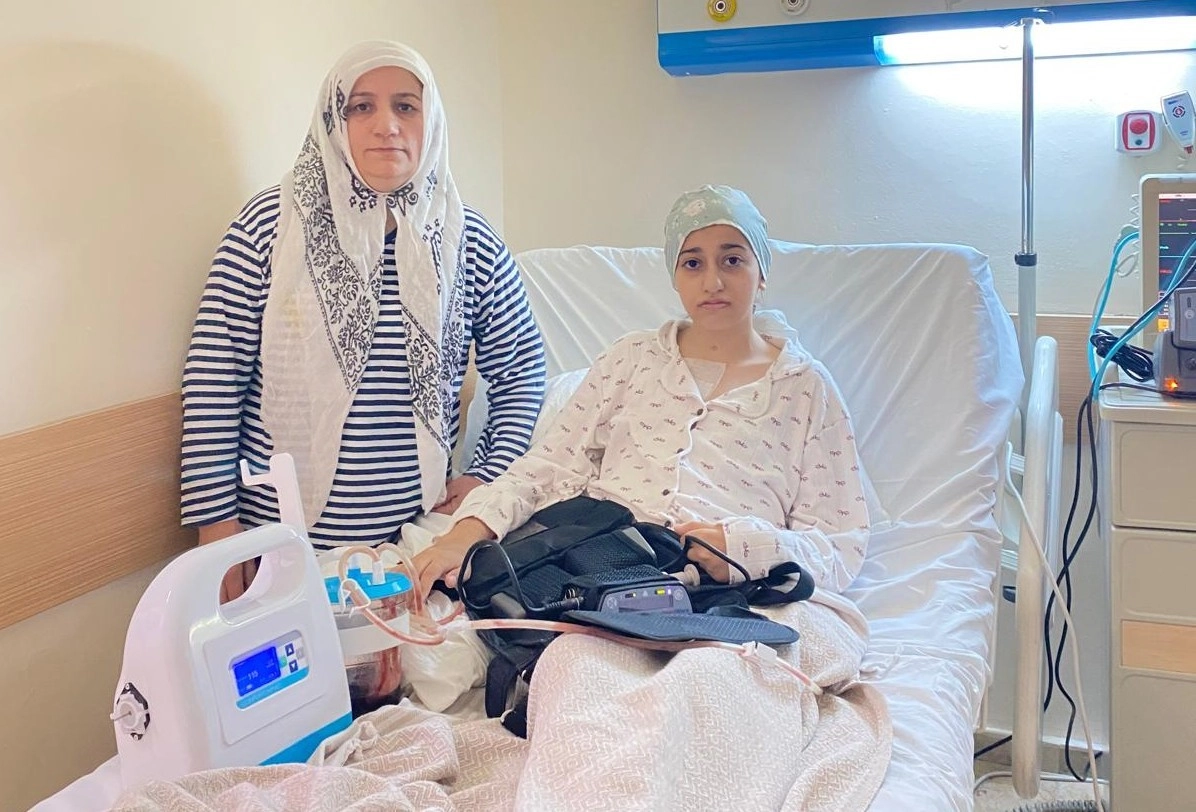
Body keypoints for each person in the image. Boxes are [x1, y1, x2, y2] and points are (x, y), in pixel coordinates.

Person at [180, 41, 546, 601]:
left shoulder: (467, 240)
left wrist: (486, 477)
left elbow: (522, 372)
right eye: (361, 107)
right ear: (334, 120)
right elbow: (213, 383)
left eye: (405, 106)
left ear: (431, 121)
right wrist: (218, 534)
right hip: (274, 547)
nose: (386, 126)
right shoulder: (267, 229)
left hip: (411, 551)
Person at [411, 185, 868, 601]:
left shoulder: (805, 387)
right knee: (565, 654)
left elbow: (840, 545)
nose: (712, 281)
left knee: (718, 660)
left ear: (761, 272)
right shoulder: (632, 360)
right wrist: (466, 532)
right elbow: (547, 466)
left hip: (736, 597)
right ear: (675, 276)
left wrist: (748, 549)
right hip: (604, 579)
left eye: (732, 260)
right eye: (693, 263)